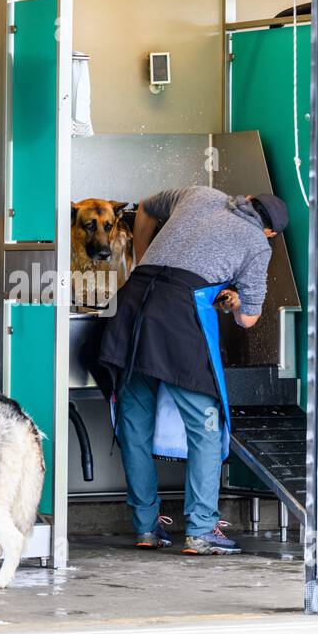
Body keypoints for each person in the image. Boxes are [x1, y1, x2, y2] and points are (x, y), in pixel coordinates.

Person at [98, 186, 285, 556]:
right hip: (177, 319)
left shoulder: (199, 193)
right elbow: (248, 318)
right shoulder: (258, 244)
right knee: (206, 426)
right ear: (270, 232)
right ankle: (200, 530)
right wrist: (232, 301)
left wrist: (141, 257)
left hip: (132, 303)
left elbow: (147, 207)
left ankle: (145, 528)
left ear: (244, 199)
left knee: (135, 421)